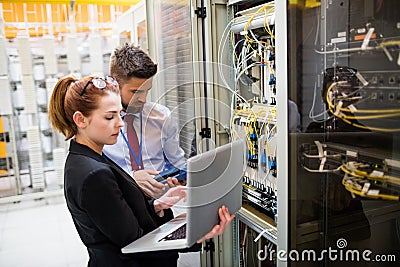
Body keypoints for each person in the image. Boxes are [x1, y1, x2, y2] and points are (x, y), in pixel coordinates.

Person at [48, 75, 234, 267]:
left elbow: (116, 218)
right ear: (80, 120)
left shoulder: (88, 158)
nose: (120, 123)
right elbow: (137, 244)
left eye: (120, 114)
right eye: (109, 117)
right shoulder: (93, 174)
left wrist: (155, 205)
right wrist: (197, 234)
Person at [103, 43, 187, 198]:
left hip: (162, 203)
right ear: (114, 84)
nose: (142, 99)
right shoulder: (99, 124)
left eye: (147, 91)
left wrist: (180, 178)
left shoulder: (162, 117)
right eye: (135, 92)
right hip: (121, 205)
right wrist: (131, 179)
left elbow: (177, 162)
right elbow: (94, 177)